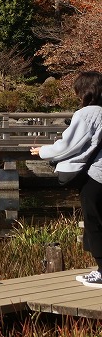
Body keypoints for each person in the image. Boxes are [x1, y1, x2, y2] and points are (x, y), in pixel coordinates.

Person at [32, 70, 102, 286]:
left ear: (85, 91)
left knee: (94, 223)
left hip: (96, 177)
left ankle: (101, 272)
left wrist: (42, 151)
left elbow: (68, 145)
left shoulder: (88, 113)